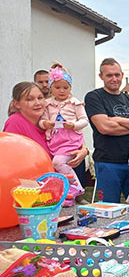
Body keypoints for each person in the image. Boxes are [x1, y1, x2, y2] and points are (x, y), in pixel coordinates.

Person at [85, 58, 129, 203]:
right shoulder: (94, 97)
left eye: (117, 75)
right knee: (109, 207)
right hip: (107, 162)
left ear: (122, 75)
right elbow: (104, 128)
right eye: (109, 75)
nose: (114, 79)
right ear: (101, 76)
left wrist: (116, 119)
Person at [3, 82, 88, 172]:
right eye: (29, 99)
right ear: (17, 104)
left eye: (40, 98)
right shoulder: (15, 122)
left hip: (56, 180)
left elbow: (71, 134)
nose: (37, 103)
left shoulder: (48, 120)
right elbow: (10, 160)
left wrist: (84, 150)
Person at [39, 63, 88, 205]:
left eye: (65, 88)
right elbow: (42, 120)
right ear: (51, 87)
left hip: (70, 139)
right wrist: (45, 124)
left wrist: (74, 125)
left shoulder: (74, 103)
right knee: (56, 166)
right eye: (57, 87)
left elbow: (84, 120)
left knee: (58, 162)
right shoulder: (48, 104)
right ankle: (67, 195)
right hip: (55, 140)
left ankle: (76, 186)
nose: (62, 91)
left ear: (70, 88)